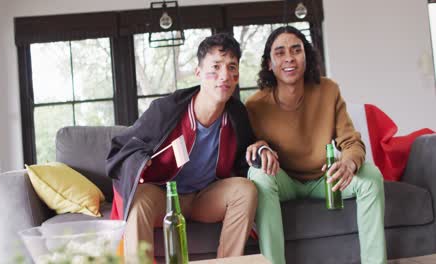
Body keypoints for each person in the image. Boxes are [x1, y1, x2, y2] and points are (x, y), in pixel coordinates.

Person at [105, 33, 277, 259]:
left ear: (237, 75)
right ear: (198, 73)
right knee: (139, 199)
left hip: (204, 198)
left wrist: (261, 146)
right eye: (215, 67)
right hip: (163, 197)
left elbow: (246, 153)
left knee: (245, 190)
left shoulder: (236, 114)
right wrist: (140, 160)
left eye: (232, 67)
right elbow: (120, 150)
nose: (224, 75)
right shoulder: (166, 109)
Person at [245, 26, 387, 264]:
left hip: (325, 179)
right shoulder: (254, 105)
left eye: (296, 50)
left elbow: (351, 140)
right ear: (269, 63)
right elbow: (249, 149)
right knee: (259, 176)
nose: (289, 57)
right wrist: (260, 146)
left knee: (371, 176)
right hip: (284, 182)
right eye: (280, 52)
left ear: (306, 57)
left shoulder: (328, 90)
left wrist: (349, 163)